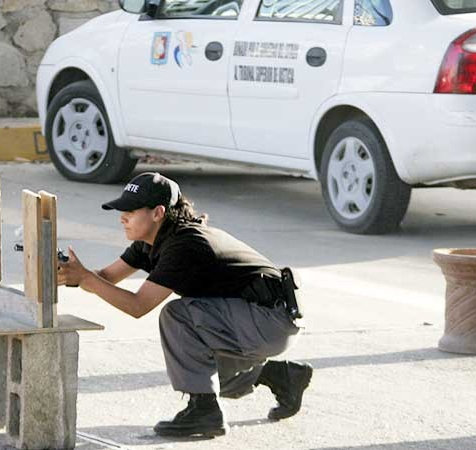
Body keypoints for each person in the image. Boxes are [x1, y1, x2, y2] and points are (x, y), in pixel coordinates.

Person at [58, 172, 312, 438]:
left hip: (271, 319)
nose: (122, 217)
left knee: (177, 316)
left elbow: (138, 305)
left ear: (157, 212)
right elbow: (107, 278)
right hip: (258, 319)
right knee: (207, 374)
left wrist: (85, 278)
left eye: (130, 211)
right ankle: (283, 377)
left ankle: (204, 412)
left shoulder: (184, 245)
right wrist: (67, 274)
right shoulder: (151, 241)